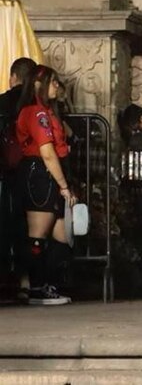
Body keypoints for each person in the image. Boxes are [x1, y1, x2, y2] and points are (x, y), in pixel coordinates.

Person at [13, 66, 73, 305]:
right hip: (40, 173)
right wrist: (64, 186)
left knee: (62, 235)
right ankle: (36, 287)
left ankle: (49, 283)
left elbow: (65, 134)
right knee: (37, 235)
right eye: (54, 82)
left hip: (50, 173)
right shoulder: (35, 113)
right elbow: (47, 152)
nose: (57, 86)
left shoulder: (47, 112)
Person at [1, 58, 37, 298]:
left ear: (13, 76)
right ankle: (27, 280)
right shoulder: (38, 104)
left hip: (6, 170)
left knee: (6, 222)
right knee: (30, 226)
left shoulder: (3, 101)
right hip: (34, 171)